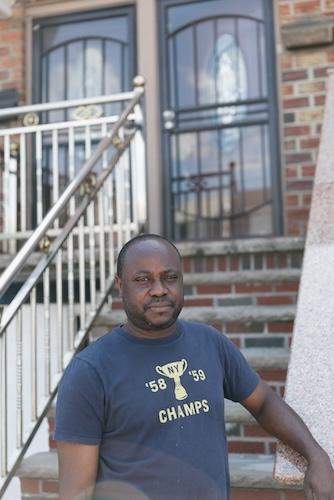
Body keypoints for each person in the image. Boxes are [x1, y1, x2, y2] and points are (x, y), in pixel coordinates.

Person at [55, 233, 334, 500]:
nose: (159, 290)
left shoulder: (209, 342)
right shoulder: (91, 371)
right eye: (143, 280)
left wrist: (315, 454)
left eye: (170, 277)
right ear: (120, 285)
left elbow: (263, 403)